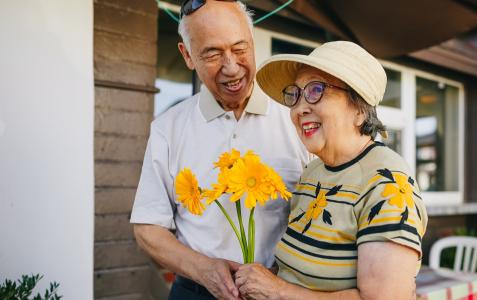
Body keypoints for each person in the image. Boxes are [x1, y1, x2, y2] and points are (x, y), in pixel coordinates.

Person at [130, 1, 309, 299]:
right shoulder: (167, 128)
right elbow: (147, 229)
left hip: (284, 290)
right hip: (197, 291)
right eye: (212, 53)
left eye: (240, 49)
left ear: (252, 43)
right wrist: (203, 269)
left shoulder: (296, 117)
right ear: (187, 55)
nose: (231, 67)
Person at [234, 41, 428, 299]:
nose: (300, 108)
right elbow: (301, 273)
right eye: (296, 94)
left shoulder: (387, 184)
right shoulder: (312, 172)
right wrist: (262, 278)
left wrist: (278, 291)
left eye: (316, 90)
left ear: (359, 110)